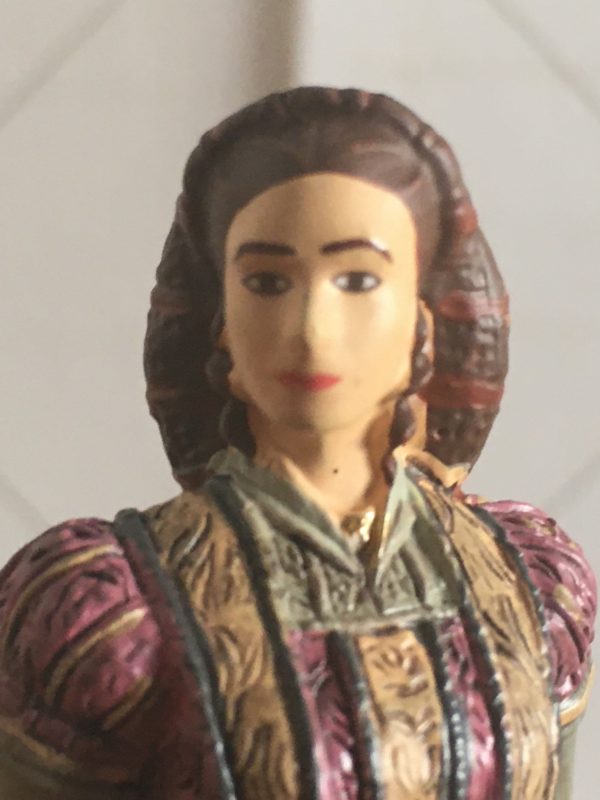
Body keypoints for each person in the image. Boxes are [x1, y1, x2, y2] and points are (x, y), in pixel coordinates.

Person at [0, 87, 595, 800]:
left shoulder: (531, 585)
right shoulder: (110, 612)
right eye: (267, 281)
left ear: (425, 323)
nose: (312, 327)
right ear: (221, 322)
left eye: (358, 280)